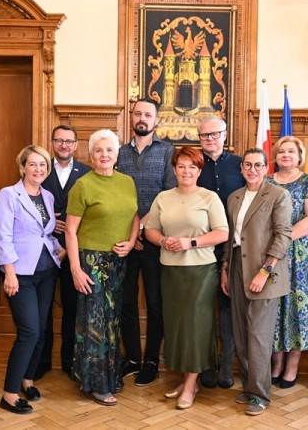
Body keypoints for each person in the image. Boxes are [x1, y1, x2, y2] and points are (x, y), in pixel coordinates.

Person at [144, 146, 229, 410]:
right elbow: (150, 230)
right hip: (170, 271)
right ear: (174, 169)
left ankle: (191, 385)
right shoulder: (163, 197)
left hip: (200, 272)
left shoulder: (209, 197)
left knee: (196, 326)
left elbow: (222, 233)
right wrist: (163, 241)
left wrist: (189, 242)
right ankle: (185, 379)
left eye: (192, 167)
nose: (186, 171)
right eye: (181, 166)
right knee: (177, 327)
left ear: (199, 170)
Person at [66, 129, 140, 406]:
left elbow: (134, 216)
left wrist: (132, 242)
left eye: (109, 150)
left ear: (117, 154)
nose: (104, 155)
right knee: (93, 323)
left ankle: (109, 378)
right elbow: (71, 231)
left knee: (112, 322)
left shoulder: (127, 182)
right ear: (90, 155)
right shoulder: (83, 186)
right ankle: (94, 383)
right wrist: (75, 268)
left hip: (119, 262)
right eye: (99, 150)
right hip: (91, 263)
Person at [0, 145, 67, 414]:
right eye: (33, 164)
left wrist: (58, 247)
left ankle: (27, 380)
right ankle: (10, 394)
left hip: (47, 271)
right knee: (29, 332)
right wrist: (9, 273)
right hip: (20, 274)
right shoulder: (9, 195)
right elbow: (2, 236)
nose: (38, 169)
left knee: (41, 331)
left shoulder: (47, 196)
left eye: (43, 165)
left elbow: (44, 233)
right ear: (22, 166)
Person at [222, 148, 292, 416]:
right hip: (238, 265)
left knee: (258, 336)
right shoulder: (234, 197)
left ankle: (261, 395)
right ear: (242, 168)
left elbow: (283, 234)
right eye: (247, 165)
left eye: (258, 165)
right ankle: (251, 387)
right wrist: (225, 268)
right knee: (241, 333)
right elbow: (231, 237)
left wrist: (265, 271)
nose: (253, 169)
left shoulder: (277, 195)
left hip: (265, 270)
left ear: (266, 168)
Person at [116, 98, 177, 386]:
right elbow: (115, 195)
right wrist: (131, 234)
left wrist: (141, 229)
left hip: (154, 239)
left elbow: (168, 194)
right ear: (132, 117)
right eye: (138, 113)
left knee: (156, 302)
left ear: (157, 120)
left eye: (148, 114)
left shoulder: (167, 151)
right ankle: (131, 358)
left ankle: (151, 359)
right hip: (123, 241)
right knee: (126, 300)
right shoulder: (118, 153)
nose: (142, 118)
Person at [266, 136, 308, 389]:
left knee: (296, 309)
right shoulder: (266, 181)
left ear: (300, 156)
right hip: (269, 255)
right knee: (274, 310)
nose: (286, 155)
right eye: (281, 151)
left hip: (301, 259)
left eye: (291, 151)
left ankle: (292, 367)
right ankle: (276, 364)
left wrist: (282, 239)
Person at [194, 115, 245, 390]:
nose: (210, 139)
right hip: (200, 247)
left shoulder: (239, 165)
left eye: (215, 134)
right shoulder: (194, 165)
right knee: (202, 310)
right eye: (204, 135)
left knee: (228, 308)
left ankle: (226, 366)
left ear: (225, 134)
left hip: (234, 248)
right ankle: (205, 367)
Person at [37, 125, 91, 380]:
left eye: (69, 141)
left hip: (73, 251)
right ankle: (41, 361)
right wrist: (50, 222)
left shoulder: (87, 173)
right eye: (59, 140)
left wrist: (70, 229)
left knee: (72, 308)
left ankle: (70, 362)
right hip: (43, 249)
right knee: (43, 308)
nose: (64, 145)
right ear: (52, 142)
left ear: (76, 145)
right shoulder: (39, 168)